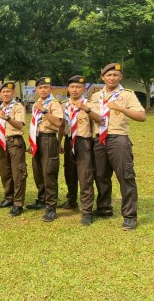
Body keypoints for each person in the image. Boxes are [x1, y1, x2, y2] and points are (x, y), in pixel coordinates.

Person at [91, 63, 146, 230]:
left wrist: (120, 108)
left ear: (120, 77)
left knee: (125, 176)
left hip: (118, 139)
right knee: (100, 175)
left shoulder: (127, 95)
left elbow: (142, 116)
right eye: (108, 75)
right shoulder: (95, 96)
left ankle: (129, 216)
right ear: (103, 77)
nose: (112, 78)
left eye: (115, 75)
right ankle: (104, 208)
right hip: (99, 140)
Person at [58, 76, 102, 226]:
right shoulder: (63, 105)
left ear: (84, 89)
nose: (75, 89)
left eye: (78, 87)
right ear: (68, 89)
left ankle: (87, 211)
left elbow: (100, 119)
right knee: (69, 172)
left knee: (85, 176)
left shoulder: (89, 104)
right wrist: (59, 142)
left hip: (84, 142)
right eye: (72, 87)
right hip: (69, 140)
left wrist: (86, 110)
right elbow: (61, 126)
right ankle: (71, 200)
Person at [27, 77, 63, 222]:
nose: (43, 90)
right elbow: (34, 123)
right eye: (40, 88)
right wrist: (31, 141)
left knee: (49, 173)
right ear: (36, 90)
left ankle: (51, 207)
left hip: (48, 139)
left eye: (46, 87)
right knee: (38, 172)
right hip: (37, 139)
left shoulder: (53, 104)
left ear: (51, 89)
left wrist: (44, 111)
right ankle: (42, 199)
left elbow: (58, 123)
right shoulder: (38, 103)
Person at [0, 82, 27, 217]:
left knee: (18, 173)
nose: (6, 94)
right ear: (0, 94)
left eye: (8, 92)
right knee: (5, 172)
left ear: (13, 93)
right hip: (3, 142)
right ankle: (9, 198)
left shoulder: (18, 107)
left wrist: (7, 117)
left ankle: (18, 203)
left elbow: (19, 125)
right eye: (3, 92)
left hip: (15, 142)